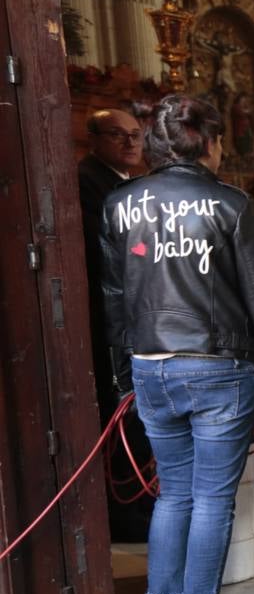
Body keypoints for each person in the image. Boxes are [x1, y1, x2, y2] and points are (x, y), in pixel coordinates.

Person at [99, 94, 254, 594]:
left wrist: (122, 375)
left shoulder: (119, 204)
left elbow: (114, 296)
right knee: (212, 499)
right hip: (216, 368)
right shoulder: (231, 205)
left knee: (172, 496)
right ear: (209, 143)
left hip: (150, 367)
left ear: (157, 145)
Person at [79, 109, 154, 538]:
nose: (129, 143)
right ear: (95, 139)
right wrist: (150, 251)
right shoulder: (88, 181)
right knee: (120, 420)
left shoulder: (130, 184)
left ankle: (141, 500)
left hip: (137, 315)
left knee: (139, 421)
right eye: (117, 135)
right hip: (111, 320)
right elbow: (114, 249)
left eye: (135, 136)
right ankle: (125, 512)